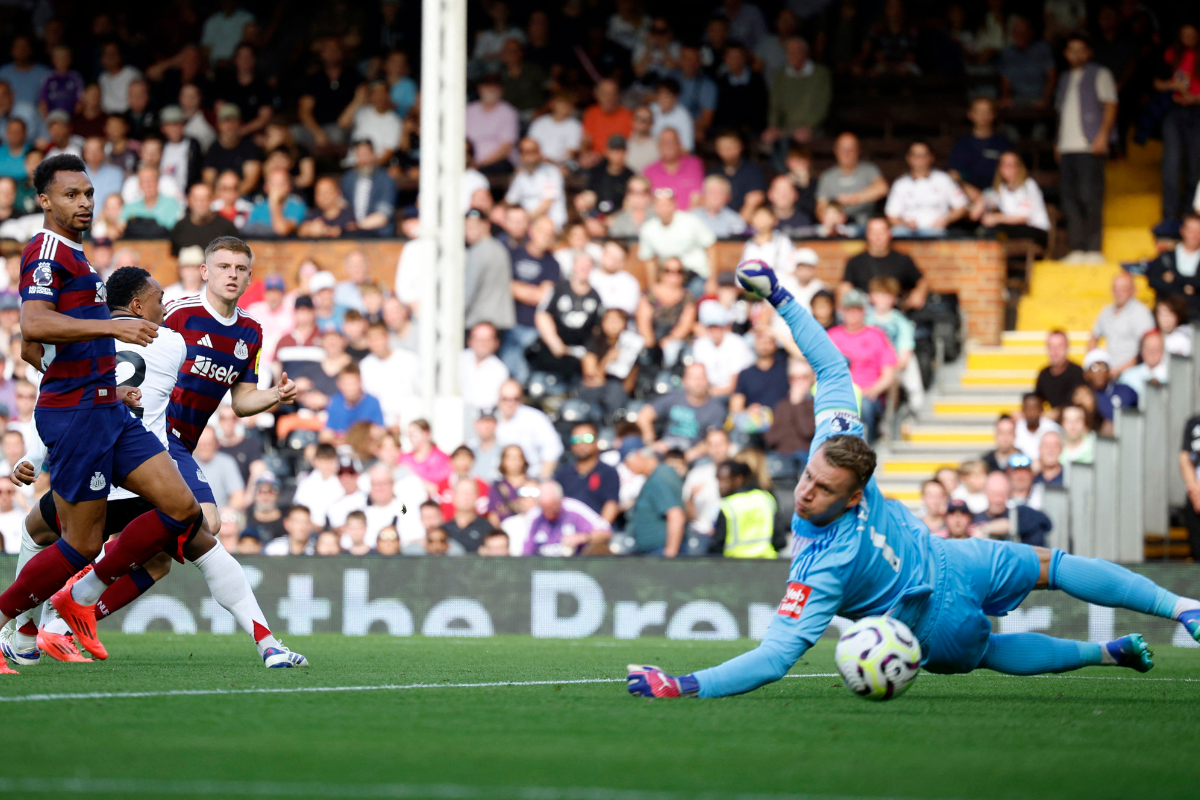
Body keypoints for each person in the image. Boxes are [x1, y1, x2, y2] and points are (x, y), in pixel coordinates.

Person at [628, 258, 1200, 701]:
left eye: (821, 488)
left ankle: (1162, 620)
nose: (804, 490)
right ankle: (1161, 620)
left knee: (999, 636)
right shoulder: (839, 448)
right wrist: (778, 294)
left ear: (855, 494)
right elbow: (831, 365)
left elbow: (775, 658)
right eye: (807, 477)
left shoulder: (820, 564)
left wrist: (684, 683)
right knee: (1040, 583)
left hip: (935, 613)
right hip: (950, 571)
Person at [8, 249, 303, 669]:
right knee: (199, 533)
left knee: (50, 535)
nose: (164, 306)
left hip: (97, 456)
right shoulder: (175, 335)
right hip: (149, 458)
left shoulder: (84, 339)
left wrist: (36, 458)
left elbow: (48, 380)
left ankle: (25, 632)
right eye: (223, 266)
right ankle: (69, 607)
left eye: (240, 269)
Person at [1056, 34, 1117, 262]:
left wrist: (1102, 137)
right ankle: (1077, 249)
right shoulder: (1063, 78)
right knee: (1070, 199)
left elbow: (1111, 105)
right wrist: (1058, 143)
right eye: (1072, 49)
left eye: (1081, 49)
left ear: (1089, 52)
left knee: (1089, 196)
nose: (1076, 54)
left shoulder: (1100, 73)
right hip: (1067, 147)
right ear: (1065, 54)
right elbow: (1062, 114)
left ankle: (1093, 249)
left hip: (1089, 146)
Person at [827, 289, 897, 442]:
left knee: (864, 406)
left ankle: (864, 446)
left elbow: (889, 374)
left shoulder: (877, 335)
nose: (853, 313)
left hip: (868, 395)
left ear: (864, 311)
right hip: (837, 393)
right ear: (842, 311)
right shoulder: (831, 336)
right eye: (849, 309)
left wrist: (873, 390)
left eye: (857, 309)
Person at [501, 215, 559, 384]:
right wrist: (517, 288)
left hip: (534, 330)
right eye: (543, 231)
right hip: (508, 325)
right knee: (506, 375)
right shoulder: (512, 255)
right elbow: (503, 285)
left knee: (525, 378)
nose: (546, 236)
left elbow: (542, 296)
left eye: (550, 233)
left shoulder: (553, 264)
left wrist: (516, 287)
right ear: (531, 231)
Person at [761, 37, 831, 166]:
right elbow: (775, 104)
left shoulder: (820, 73)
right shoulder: (782, 74)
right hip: (787, 128)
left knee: (799, 137)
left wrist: (809, 126)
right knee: (768, 138)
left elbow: (823, 105)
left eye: (796, 51)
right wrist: (773, 125)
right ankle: (782, 174)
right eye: (789, 52)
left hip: (814, 127)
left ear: (805, 53)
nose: (791, 55)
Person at [638, 363, 727, 459]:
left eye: (701, 378)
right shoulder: (674, 397)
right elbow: (644, 415)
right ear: (685, 380)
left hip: (694, 456)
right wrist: (652, 442)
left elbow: (714, 439)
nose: (698, 382)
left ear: (708, 380)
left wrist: (691, 454)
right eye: (693, 378)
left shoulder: (716, 409)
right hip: (665, 449)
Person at [637, 188, 716, 292]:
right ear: (654, 207)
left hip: (695, 274)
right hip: (669, 276)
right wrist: (653, 287)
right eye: (659, 205)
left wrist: (713, 279)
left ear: (674, 205)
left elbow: (710, 246)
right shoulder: (648, 229)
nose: (663, 208)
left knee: (694, 293)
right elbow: (649, 260)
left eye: (666, 204)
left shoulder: (690, 221)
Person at [884, 140, 969, 237]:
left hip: (937, 231)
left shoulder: (943, 179)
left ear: (931, 157)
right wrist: (904, 224)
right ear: (908, 158)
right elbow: (891, 215)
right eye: (915, 155)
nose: (919, 159)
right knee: (896, 232)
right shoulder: (900, 184)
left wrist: (946, 219)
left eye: (924, 155)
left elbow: (962, 206)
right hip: (908, 232)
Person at [841, 217, 928, 310]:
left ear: (889, 233)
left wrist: (919, 293)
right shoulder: (855, 262)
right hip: (865, 316)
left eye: (882, 232)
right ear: (867, 234)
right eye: (874, 232)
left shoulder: (903, 260)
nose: (877, 236)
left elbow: (922, 281)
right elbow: (845, 288)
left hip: (896, 313)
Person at [970, 151, 1051, 245]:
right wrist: (981, 201)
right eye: (1004, 164)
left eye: (1011, 164)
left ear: (1018, 167)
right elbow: (975, 213)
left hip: (1036, 230)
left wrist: (996, 218)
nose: (1008, 168)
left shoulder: (1028, 185)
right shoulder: (1001, 189)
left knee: (997, 229)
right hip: (1013, 229)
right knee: (985, 230)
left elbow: (1023, 217)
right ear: (1000, 168)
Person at [815, 132, 889, 229]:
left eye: (851, 149)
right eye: (843, 149)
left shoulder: (869, 170)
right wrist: (831, 217)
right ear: (836, 151)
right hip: (837, 227)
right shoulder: (827, 177)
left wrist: (853, 198)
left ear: (858, 151)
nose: (846, 153)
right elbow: (820, 206)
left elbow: (882, 188)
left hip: (864, 226)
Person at [1089, 272, 1155, 377]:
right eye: (1115, 288)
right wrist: (1093, 364)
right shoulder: (1106, 311)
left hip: (1133, 373)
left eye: (1123, 288)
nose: (1118, 292)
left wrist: (1119, 371)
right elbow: (1093, 338)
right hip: (1109, 373)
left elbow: (1149, 346)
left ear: (1133, 290)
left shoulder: (1141, 313)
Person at [494, 379, 563, 479]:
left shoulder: (534, 417)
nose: (510, 403)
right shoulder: (491, 419)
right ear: (498, 399)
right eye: (505, 399)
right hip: (499, 482)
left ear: (522, 399)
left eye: (515, 399)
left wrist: (542, 480)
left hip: (530, 480)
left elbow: (553, 447)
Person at [580, 308, 642, 418]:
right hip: (595, 390)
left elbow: (629, 384)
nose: (613, 324)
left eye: (617, 320)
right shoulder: (593, 342)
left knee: (615, 390)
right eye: (608, 320)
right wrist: (607, 359)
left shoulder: (633, 345)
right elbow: (591, 377)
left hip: (617, 392)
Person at [554, 423, 620, 526]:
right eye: (576, 439)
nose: (581, 444)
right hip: (569, 530)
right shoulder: (563, 474)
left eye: (587, 438)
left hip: (596, 532)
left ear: (596, 441)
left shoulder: (608, 472)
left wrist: (599, 530)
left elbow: (611, 504)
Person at [523, 480, 612, 556]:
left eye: (552, 509)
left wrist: (582, 537)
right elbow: (526, 551)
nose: (549, 514)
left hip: (577, 568)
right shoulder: (534, 516)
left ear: (560, 500)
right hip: (542, 570)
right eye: (545, 510)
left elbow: (606, 532)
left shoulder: (575, 509)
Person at [625, 446, 687, 556]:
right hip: (654, 550)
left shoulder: (659, 478)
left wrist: (670, 552)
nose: (628, 468)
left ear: (641, 457)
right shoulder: (657, 475)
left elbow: (675, 515)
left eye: (629, 462)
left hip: (660, 550)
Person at [464, 209, 516, 334]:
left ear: (487, 226)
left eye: (474, 226)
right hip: (501, 319)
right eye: (466, 226)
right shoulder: (500, 248)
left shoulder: (477, 251)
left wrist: (453, 316)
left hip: (480, 323)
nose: (468, 231)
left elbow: (468, 290)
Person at [947, 98, 1012, 199]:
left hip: (998, 196)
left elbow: (1012, 172)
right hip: (966, 196)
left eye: (987, 112)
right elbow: (953, 174)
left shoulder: (1003, 144)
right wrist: (968, 190)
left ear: (994, 115)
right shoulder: (961, 144)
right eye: (979, 112)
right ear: (970, 114)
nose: (983, 116)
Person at [970, 470, 1052, 545]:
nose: (998, 500)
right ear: (985, 492)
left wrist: (986, 528)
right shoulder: (974, 518)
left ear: (1009, 493)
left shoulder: (1022, 513)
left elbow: (1047, 523)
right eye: (993, 494)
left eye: (1002, 494)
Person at [691, 301, 754, 397]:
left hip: (733, 393)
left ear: (725, 327)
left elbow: (735, 384)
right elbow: (698, 376)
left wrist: (710, 393)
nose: (714, 331)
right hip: (707, 392)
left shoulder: (737, 344)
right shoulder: (700, 344)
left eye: (718, 327)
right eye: (711, 327)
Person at [1147, 213, 1200, 323]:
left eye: (1198, 231)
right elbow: (1153, 281)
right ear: (1182, 231)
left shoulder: (1167, 262)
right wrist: (1189, 288)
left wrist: (1175, 278)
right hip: (1166, 319)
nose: (1194, 235)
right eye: (1191, 230)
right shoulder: (1165, 257)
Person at [505, 138, 567, 231]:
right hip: (526, 223)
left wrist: (524, 220)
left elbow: (547, 204)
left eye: (533, 151)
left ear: (539, 153)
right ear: (521, 155)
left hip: (550, 222)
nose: (530, 155)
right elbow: (509, 201)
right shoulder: (521, 175)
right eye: (526, 151)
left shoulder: (551, 172)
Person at [465, 73, 519, 176]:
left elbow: (505, 148)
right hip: (469, 160)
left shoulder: (508, 112)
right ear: (479, 89)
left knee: (477, 174)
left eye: (494, 87)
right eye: (487, 87)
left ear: (501, 90)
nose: (490, 91)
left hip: (498, 162)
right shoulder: (469, 110)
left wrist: (479, 164)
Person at [341, 140, 397, 237]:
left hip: (379, 233)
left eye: (366, 154)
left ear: (373, 155)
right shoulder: (349, 178)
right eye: (359, 155)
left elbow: (383, 214)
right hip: (352, 233)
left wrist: (357, 226)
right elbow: (342, 204)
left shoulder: (385, 179)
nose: (364, 159)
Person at [713, 44, 768, 140]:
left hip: (753, 130)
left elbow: (762, 108)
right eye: (731, 57)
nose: (735, 61)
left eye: (738, 57)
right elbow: (720, 112)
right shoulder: (720, 82)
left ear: (745, 58)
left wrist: (749, 126)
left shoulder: (757, 80)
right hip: (728, 130)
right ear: (725, 59)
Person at [709, 131, 765, 222]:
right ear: (717, 149)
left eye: (731, 146)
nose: (727, 149)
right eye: (723, 147)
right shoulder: (713, 172)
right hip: (716, 221)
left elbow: (755, 199)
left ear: (741, 146)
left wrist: (737, 225)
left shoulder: (753, 170)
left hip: (745, 222)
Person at [171, 182, 238, 256]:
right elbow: (174, 258)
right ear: (189, 201)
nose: (200, 203)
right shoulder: (180, 227)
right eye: (196, 199)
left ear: (212, 200)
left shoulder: (226, 227)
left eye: (205, 199)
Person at [643, 129, 704, 210]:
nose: (668, 145)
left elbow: (699, 197)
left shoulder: (694, 165)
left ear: (679, 144)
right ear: (658, 146)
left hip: (690, 219)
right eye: (664, 142)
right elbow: (646, 202)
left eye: (672, 141)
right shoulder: (649, 171)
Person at [1080, 348, 1138, 431]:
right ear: (1086, 374)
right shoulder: (1081, 396)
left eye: (1103, 367)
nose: (1099, 372)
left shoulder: (1125, 391)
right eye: (1094, 368)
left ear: (1109, 371)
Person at [460, 322, 509, 417]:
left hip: (483, 418)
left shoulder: (500, 370)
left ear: (496, 343)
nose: (483, 343)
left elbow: (491, 404)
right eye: (478, 338)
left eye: (488, 339)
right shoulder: (455, 361)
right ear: (469, 341)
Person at [580, 79, 632, 165]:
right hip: (593, 161)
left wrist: (601, 157)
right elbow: (585, 140)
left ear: (618, 96)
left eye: (613, 93)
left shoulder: (628, 115)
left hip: (616, 161)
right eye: (604, 93)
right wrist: (585, 155)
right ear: (597, 95)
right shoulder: (591, 112)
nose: (609, 97)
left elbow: (627, 146)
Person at [1034, 331, 1085, 415]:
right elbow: (1037, 401)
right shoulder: (1044, 375)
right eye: (1051, 347)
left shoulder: (1077, 373)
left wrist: (1056, 413)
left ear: (1067, 347)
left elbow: (1080, 404)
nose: (1055, 351)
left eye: (1059, 346)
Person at [326, 364, 385, 436]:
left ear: (360, 383)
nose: (350, 388)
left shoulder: (372, 402)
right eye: (346, 384)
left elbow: (380, 431)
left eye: (353, 384)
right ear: (338, 384)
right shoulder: (334, 402)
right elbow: (327, 432)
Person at [486, 444, 538, 526]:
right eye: (510, 457)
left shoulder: (533, 485)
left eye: (518, 457)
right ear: (503, 461)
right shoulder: (497, 488)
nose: (514, 460)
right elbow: (493, 515)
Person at [588, 240, 641, 317]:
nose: (612, 260)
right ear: (602, 254)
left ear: (623, 262)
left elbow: (628, 309)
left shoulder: (629, 282)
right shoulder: (588, 277)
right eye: (610, 255)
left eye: (617, 258)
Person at [586, 135, 634, 216]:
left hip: (619, 218)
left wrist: (615, 218)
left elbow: (629, 204)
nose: (617, 155)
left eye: (620, 151)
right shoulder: (596, 172)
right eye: (614, 151)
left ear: (625, 153)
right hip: (595, 215)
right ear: (607, 152)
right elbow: (589, 194)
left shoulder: (631, 177)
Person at [1117, 329, 1169, 403]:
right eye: (1148, 347)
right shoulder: (1128, 377)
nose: (1152, 352)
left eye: (1157, 348)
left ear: (1163, 350)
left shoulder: (1172, 376)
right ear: (1141, 350)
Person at [695, 174, 749, 238]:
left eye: (719, 193)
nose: (715, 197)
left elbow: (738, 244)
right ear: (704, 194)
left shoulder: (735, 219)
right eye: (711, 192)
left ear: (727, 196)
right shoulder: (692, 217)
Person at [1014, 392, 1063, 459]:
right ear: (1023, 410)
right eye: (1028, 409)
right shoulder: (1015, 428)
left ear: (1041, 410)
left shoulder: (1052, 428)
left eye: (1035, 409)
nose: (1032, 413)